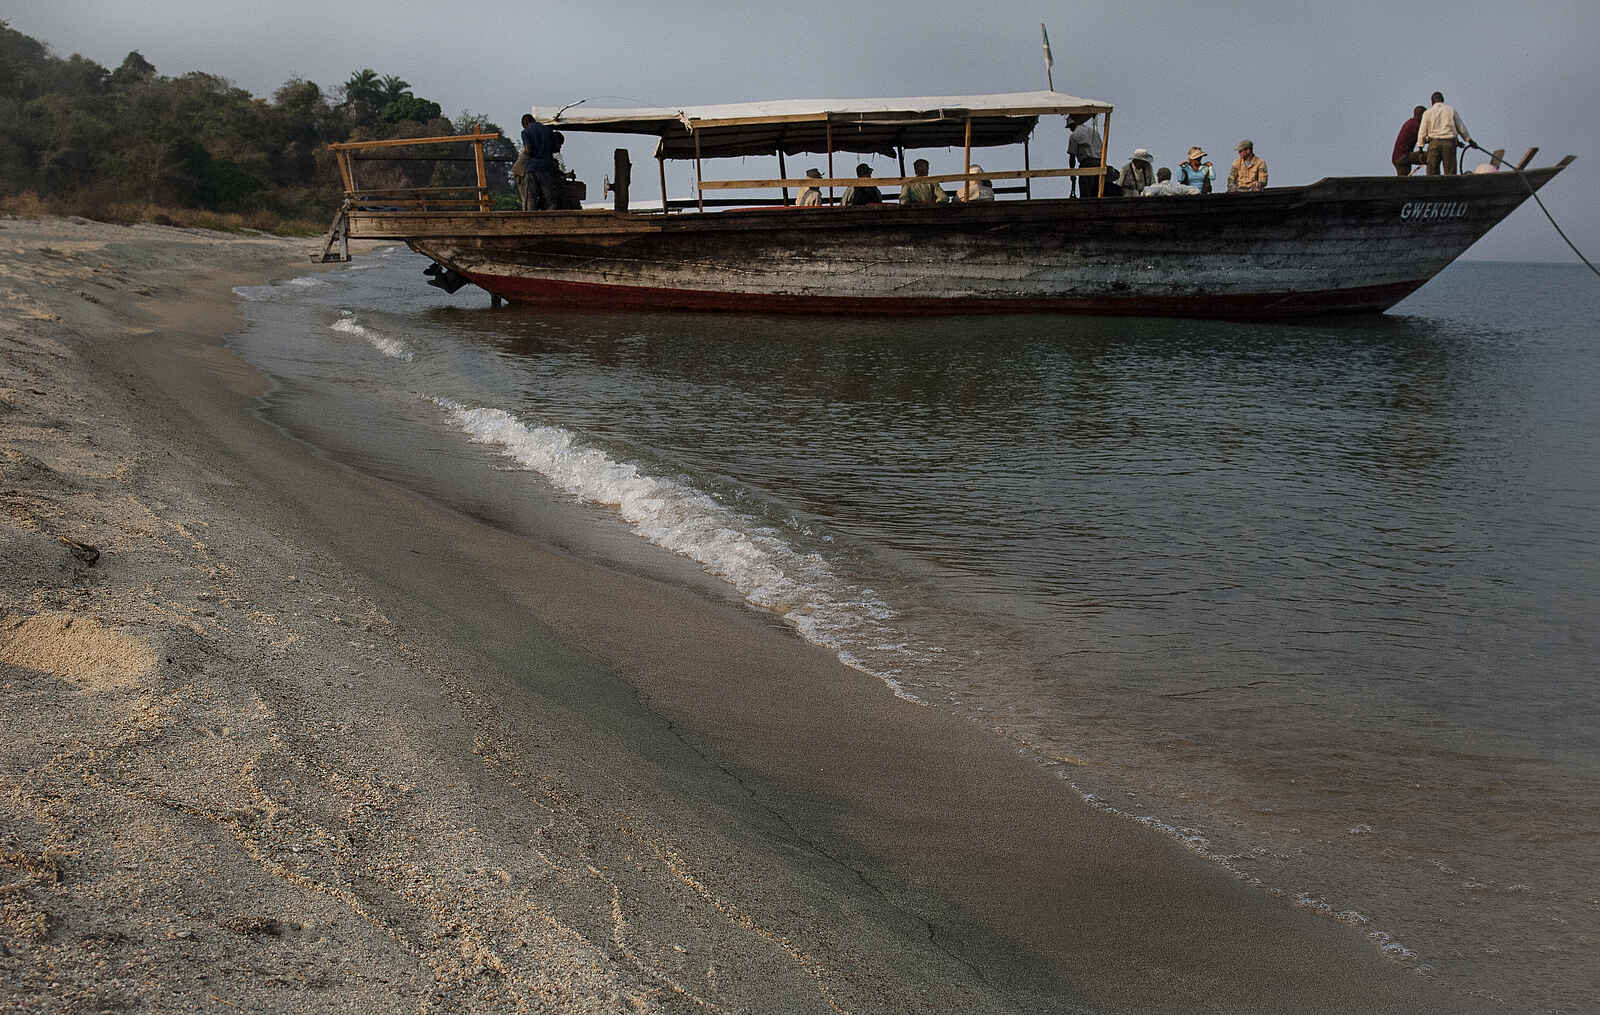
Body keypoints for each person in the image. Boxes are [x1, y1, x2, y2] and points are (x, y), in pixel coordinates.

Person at [1418, 91, 1473, 176]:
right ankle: (1450, 188)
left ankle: (1433, 188)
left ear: (1432, 102)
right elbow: (1461, 127)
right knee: (1450, 173)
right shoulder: (1451, 110)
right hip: (1449, 144)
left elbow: (1422, 132)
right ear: (1443, 100)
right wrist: (1469, 140)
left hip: (1434, 144)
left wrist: (1420, 150)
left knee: (1432, 174)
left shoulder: (1427, 113)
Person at [519, 110, 564, 210]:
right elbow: (555, 149)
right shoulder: (548, 130)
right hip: (546, 168)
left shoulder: (525, 132)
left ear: (524, 124)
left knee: (531, 198)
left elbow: (528, 149)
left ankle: (531, 221)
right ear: (533, 120)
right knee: (549, 198)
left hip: (531, 168)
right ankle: (550, 220)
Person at [1066, 113, 1104, 197]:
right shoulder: (1094, 131)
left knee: (1086, 193)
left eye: (1070, 127)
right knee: (1098, 191)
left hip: (1087, 164)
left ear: (1073, 124)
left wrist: (1072, 174)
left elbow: (1072, 157)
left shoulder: (1074, 135)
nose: (1070, 129)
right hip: (1100, 163)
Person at [1391, 105, 1427, 176]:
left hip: (1398, 157)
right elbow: (1425, 138)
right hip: (1403, 157)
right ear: (1422, 115)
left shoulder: (1410, 122)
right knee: (1430, 156)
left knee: (1404, 181)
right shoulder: (1415, 125)